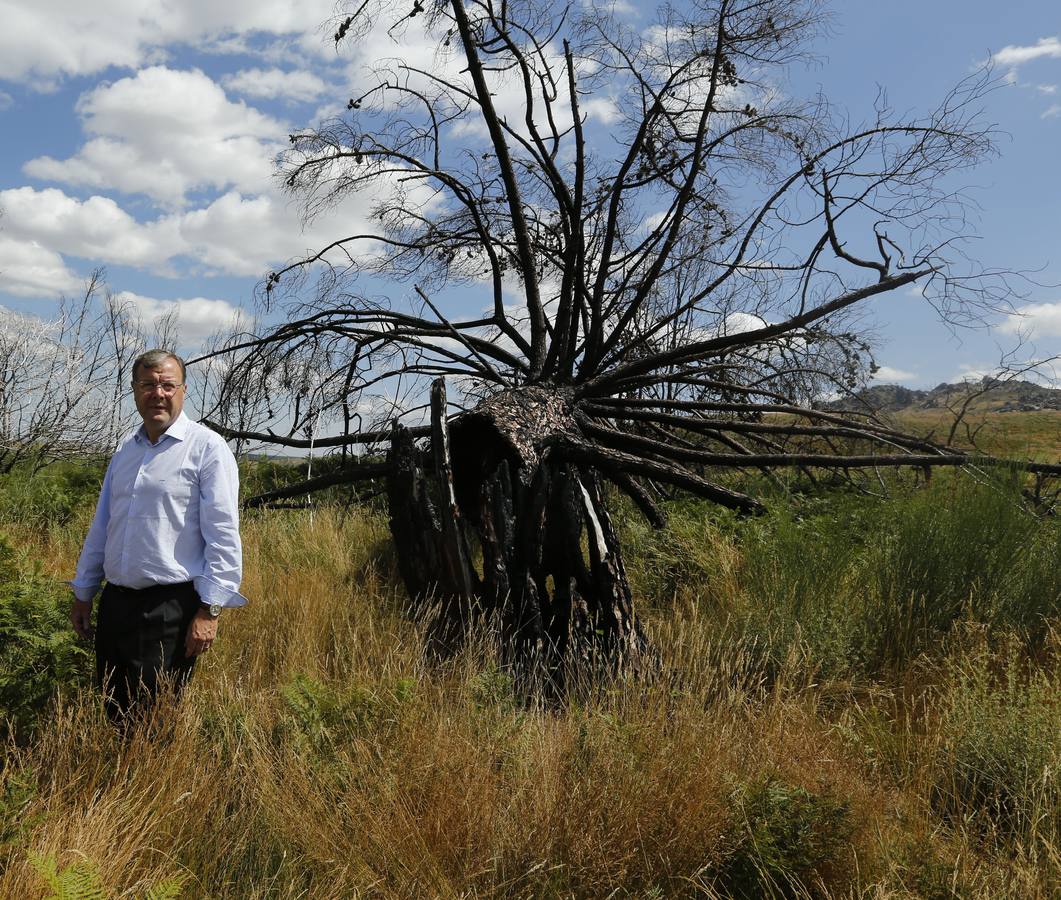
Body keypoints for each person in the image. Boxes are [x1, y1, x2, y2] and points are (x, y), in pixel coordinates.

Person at [69, 349, 246, 720]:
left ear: (182, 390)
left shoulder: (206, 449)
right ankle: (119, 778)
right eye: (148, 385)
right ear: (134, 390)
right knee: (113, 711)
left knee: (153, 718)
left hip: (169, 608)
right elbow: (103, 526)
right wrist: (84, 592)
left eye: (167, 384)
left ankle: (156, 779)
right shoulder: (125, 451)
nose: (158, 393)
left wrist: (210, 610)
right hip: (116, 604)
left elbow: (224, 536)